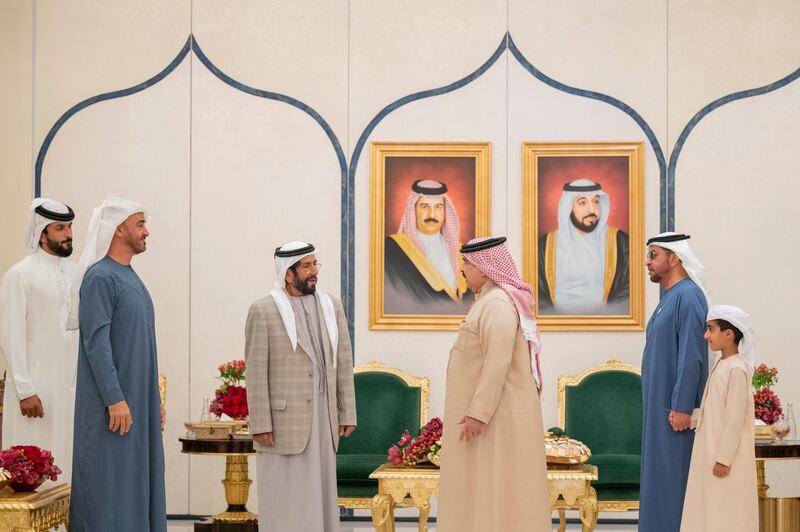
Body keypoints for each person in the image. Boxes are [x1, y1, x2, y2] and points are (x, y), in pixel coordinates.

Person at [437, 236, 550, 532]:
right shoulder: (489, 301)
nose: (462, 269)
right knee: (487, 487)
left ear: (484, 267)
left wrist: (478, 412)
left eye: (466, 263)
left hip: (494, 418)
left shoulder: (497, 303)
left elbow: (497, 362)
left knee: (499, 488)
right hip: (492, 417)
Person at [69, 197, 166, 531]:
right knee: (110, 487)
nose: (146, 231)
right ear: (118, 229)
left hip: (137, 403)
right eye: (140, 224)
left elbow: (141, 346)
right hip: (113, 408)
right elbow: (96, 344)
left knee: (137, 482)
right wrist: (115, 398)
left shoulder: (128, 276)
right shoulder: (99, 278)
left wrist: (153, 398)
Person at [246, 241, 356, 532]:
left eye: (315, 264)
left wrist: (347, 412)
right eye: (306, 266)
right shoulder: (263, 310)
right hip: (283, 421)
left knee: (319, 493)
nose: (313, 272)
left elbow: (343, 360)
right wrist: (260, 423)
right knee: (285, 495)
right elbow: (255, 372)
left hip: (324, 415)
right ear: (287, 273)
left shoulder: (331, 305)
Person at [0, 198, 78, 480]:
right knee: (33, 464)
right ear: (42, 233)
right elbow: (10, 334)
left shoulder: (76, 271)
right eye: (60, 228)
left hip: (69, 389)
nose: (68, 234)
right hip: (36, 390)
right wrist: (24, 389)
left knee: (67, 460)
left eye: (69, 227)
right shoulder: (20, 275)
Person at [640, 232, 710, 531]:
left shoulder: (689, 296)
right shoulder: (670, 298)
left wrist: (682, 406)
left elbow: (691, 356)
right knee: (659, 479)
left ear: (674, 257)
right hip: (660, 410)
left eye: (653, 255)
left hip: (675, 414)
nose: (647, 261)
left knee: (672, 481)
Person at [680, 305, 758, 532]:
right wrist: (686, 417)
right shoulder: (722, 365)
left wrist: (724, 458)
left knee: (727, 516)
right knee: (711, 514)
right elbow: (711, 410)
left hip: (726, 459)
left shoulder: (737, 370)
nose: (706, 336)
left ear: (729, 334)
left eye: (710, 329)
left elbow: (734, 419)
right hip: (710, 452)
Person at [538, 179, 629, 315]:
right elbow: (538, 293)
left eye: (596, 201)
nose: (592, 209)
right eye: (582, 203)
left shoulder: (620, 241)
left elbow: (630, 290)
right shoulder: (546, 245)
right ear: (568, 208)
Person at [384, 179, 471, 314]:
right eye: (424, 206)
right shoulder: (393, 249)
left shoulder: (462, 252)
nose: (432, 214)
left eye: (438, 207)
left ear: (445, 212)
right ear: (413, 210)